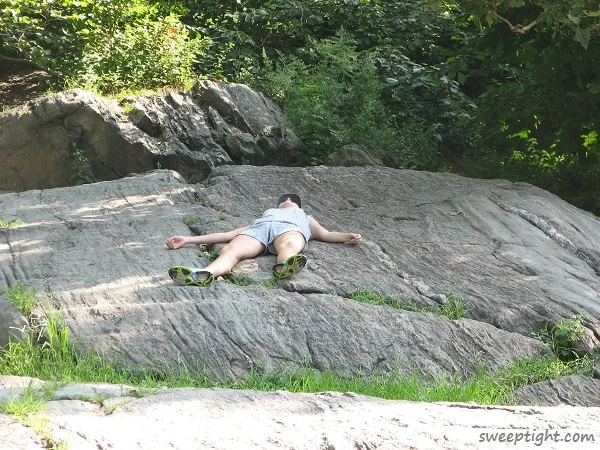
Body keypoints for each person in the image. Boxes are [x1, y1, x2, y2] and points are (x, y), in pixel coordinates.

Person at [166, 193, 362, 286]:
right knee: (230, 250)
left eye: (292, 200)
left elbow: (326, 235)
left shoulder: (305, 218)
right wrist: (188, 239)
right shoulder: (263, 216)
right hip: (260, 230)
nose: (288, 200)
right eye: (284, 199)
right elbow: (227, 235)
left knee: (289, 244)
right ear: (277, 205)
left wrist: (348, 237)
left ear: (298, 207)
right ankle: (203, 273)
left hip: (289, 229)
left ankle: (285, 265)